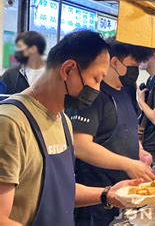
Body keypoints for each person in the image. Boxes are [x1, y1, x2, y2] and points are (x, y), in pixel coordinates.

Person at [0, 30, 140, 225]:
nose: (98, 90)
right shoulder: (11, 123)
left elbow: (61, 191)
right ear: (68, 70)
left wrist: (107, 195)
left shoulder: (63, 121)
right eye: (96, 79)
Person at [70, 39, 155, 225]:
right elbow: (81, 145)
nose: (136, 72)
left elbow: (130, 128)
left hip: (124, 194)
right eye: (133, 65)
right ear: (115, 62)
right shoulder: (93, 95)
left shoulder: (127, 91)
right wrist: (128, 164)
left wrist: (139, 151)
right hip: (96, 198)